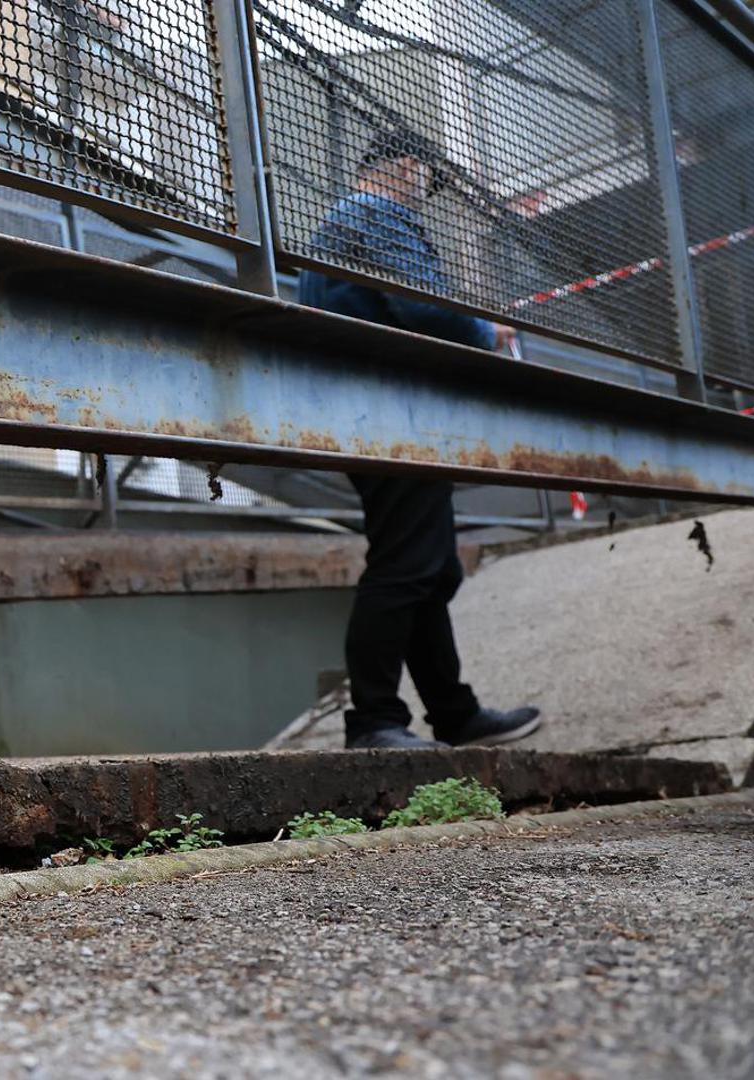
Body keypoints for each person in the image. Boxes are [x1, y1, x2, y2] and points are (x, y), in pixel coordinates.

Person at [297, 130, 542, 750]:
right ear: (406, 166)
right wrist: (486, 329)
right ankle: (374, 721)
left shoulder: (339, 224)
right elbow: (423, 305)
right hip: (389, 416)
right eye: (424, 182)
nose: (421, 197)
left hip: (373, 414)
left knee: (428, 568)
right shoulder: (373, 213)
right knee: (407, 565)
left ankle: (455, 714)